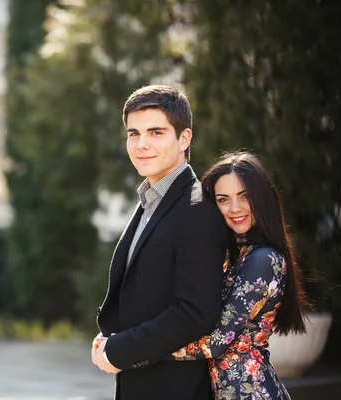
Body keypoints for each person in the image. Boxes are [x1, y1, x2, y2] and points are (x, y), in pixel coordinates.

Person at [91, 84, 229, 400]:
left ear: (184, 138)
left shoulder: (197, 208)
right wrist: (110, 339)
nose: (141, 144)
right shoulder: (150, 200)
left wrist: (120, 350)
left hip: (176, 389)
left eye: (155, 133)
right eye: (133, 133)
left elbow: (195, 312)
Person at [165, 151, 309, 399]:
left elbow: (216, 343)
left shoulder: (263, 260)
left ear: (262, 198)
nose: (235, 208)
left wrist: (139, 350)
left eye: (245, 197)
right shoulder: (236, 257)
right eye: (223, 199)